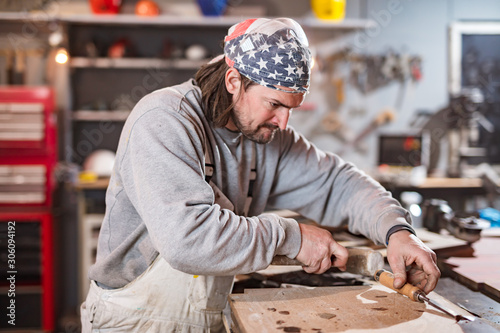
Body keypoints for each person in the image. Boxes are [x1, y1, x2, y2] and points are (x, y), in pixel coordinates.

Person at [81, 17, 440, 332]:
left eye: (291, 108)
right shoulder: (164, 120)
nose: (283, 123)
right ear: (234, 80)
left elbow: (338, 183)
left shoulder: (266, 135)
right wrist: (292, 236)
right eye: (275, 104)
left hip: (207, 316)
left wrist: (397, 231)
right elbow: (187, 240)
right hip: (135, 320)